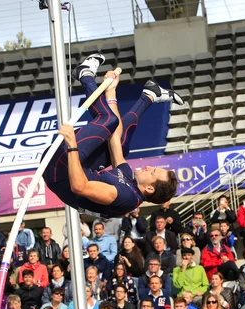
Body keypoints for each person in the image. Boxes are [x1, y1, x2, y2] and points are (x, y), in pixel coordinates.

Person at [48, 57, 180, 218]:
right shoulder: (128, 179)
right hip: (72, 166)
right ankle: (149, 95)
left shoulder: (125, 198)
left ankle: (85, 74)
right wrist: (111, 92)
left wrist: (72, 145)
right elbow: (115, 137)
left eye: (152, 172)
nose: (148, 167)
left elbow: (79, 187)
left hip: (59, 171)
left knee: (108, 119)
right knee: (122, 143)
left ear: (150, 189)